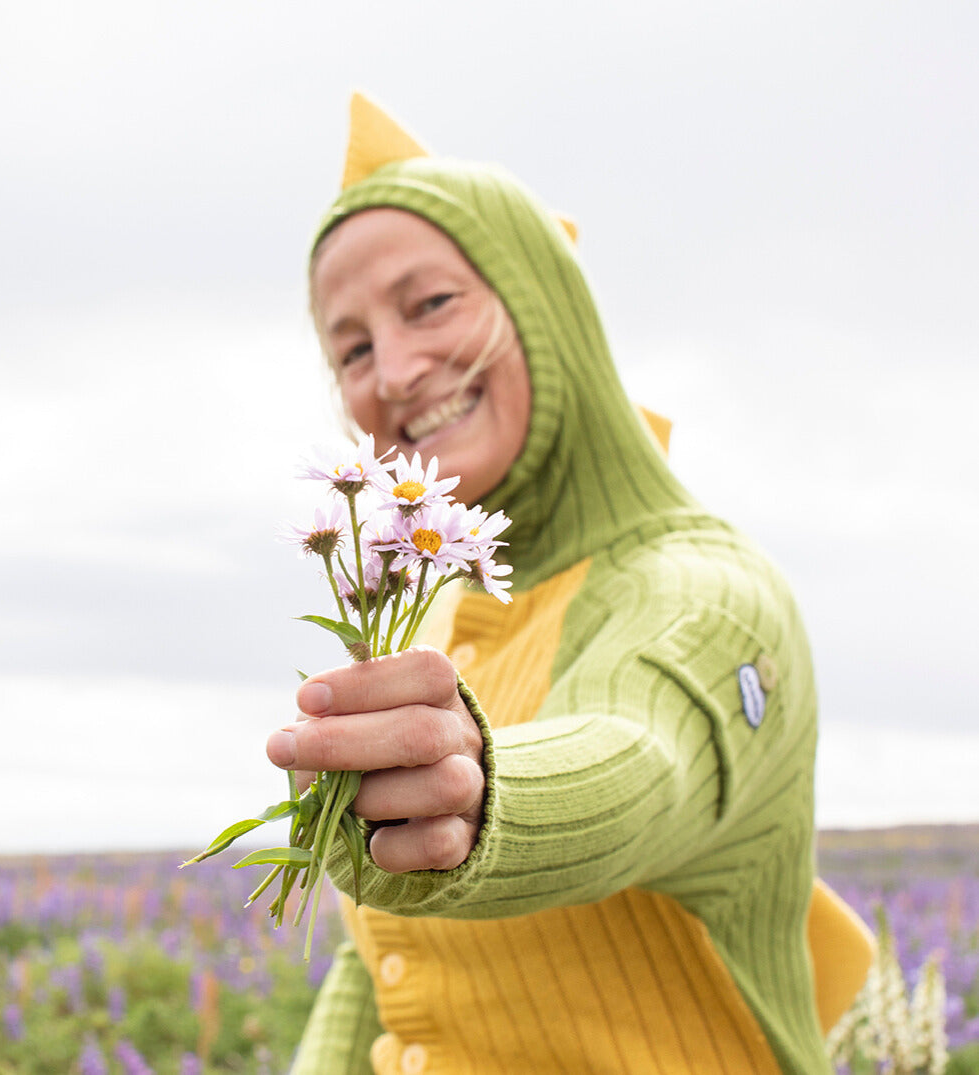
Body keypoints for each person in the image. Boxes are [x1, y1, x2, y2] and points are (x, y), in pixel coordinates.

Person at [269, 94, 873, 1075]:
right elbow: (380, 968)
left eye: (429, 304)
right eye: (352, 349)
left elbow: (640, 755)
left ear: (545, 304)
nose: (398, 368)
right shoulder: (440, 614)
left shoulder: (708, 595)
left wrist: (475, 802)